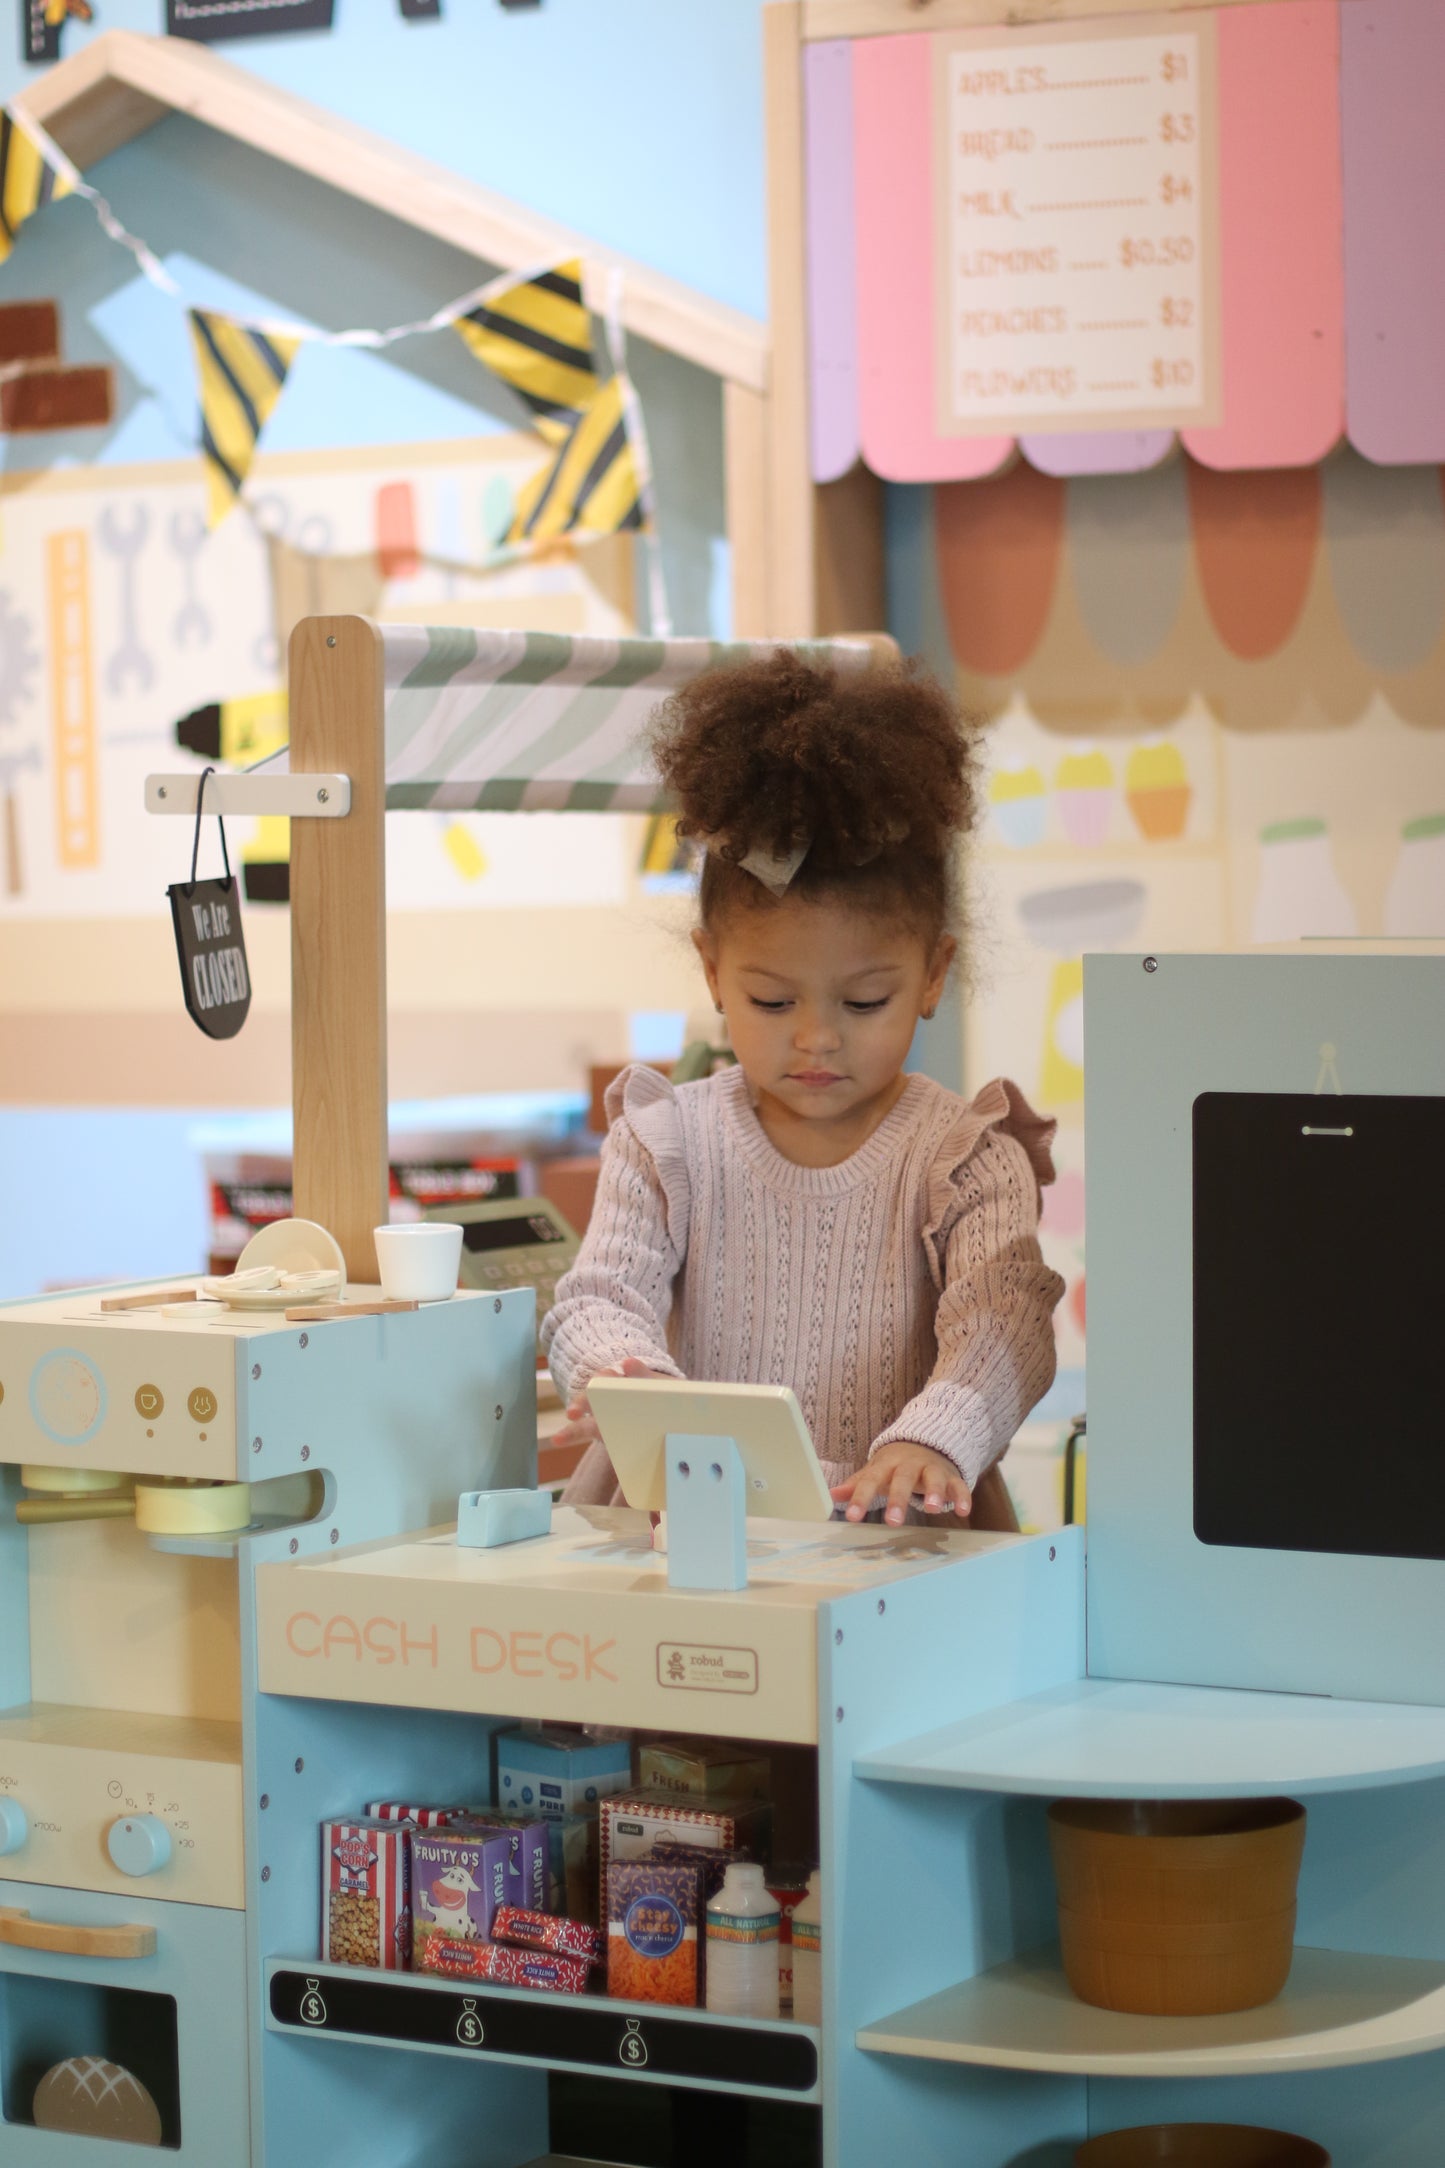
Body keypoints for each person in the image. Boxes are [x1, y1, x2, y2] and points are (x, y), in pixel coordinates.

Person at [541, 649, 1064, 1531]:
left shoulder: (967, 1159)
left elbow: (1004, 1321)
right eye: (772, 1001)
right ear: (713, 970)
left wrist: (935, 1438)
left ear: (933, 973)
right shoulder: (667, 1140)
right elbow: (602, 1293)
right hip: (688, 1526)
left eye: (863, 1003)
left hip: (894, 1537)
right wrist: (623, 1373)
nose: (816, 1038)